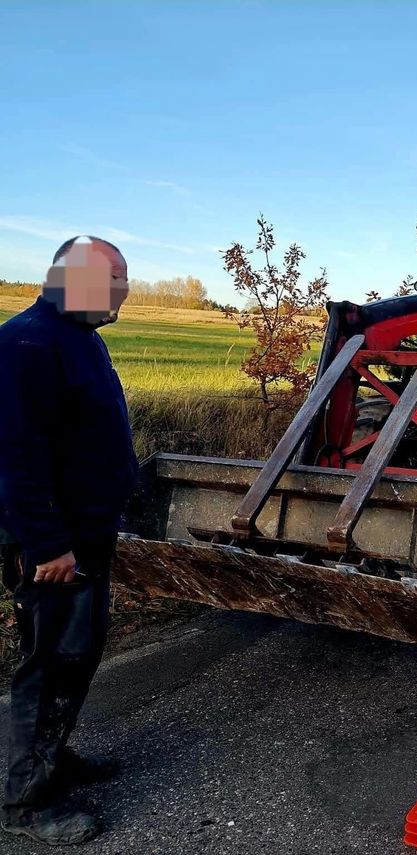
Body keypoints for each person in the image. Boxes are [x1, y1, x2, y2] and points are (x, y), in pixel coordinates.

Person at [0, 237, 137, 845]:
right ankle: (26, 803)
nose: (122, 294)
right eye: (114, 281)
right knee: (49, 663)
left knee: (76, 653)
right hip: (55, 547)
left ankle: (53, 757)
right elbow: (16, 459)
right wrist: (48, 544)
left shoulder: (80, 338)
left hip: (87, 536)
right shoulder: (26, 345)